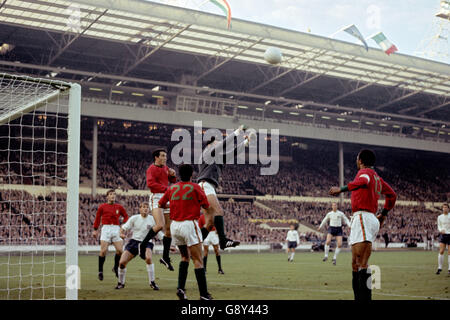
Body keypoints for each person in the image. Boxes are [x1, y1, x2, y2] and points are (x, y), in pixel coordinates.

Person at [329, 149, 397, 301]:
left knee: (361, 263)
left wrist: (341, 189)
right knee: (355, 263)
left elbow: (364, 180)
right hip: (362, 218)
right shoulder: (378, 178)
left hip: (364, 217)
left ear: (360, 160)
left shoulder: (365, 172)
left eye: (356, 158)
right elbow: (392, 195)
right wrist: (384, 213)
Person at [159, 164, 212, 300]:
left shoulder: (172, 188)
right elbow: (206, 205)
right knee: (198, 260)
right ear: (192, 174)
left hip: (174, 226)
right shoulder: (195, 187)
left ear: (179, 174)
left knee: (184, 257)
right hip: (189, 224)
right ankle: (204, 295)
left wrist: (173, 204)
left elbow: (161, 204)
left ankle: (180, 289)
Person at [197, 125, 254, 250]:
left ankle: (195, 243)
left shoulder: (214, 157)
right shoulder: (208, 152)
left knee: (209, 223)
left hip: (206, 186)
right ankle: (222, 241)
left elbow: (232, 153)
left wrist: (245, 142)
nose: (218, 145)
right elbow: (223, 145)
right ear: (210, 144)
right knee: (219, 212)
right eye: (216, 142)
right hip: (205, 185)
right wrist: (237, 132)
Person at [140, 149, 176, 271]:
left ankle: (165, 257)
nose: (165, 158)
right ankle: (143, 244)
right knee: (160, 225)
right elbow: (151, 185)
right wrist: (166, 188)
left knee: (169, 231)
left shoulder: (165, 168)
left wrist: (173, 175)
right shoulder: (151, 169)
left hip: (166, 197)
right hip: (156, 197)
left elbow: (172, 181)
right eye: (163, 156)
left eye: (166, 156)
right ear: (156, 157)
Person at [115, 202, 163, 290]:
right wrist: (121, 233)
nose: (145, 209)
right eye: (143, 207)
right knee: (122, 263)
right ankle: (120, 283)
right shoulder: (134, 218)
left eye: (147, 207)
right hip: (134, 242)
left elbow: (158, 232)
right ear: (140, 209)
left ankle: (152, 282)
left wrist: (168, 244)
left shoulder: (152, 219)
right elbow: (124, 227)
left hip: (147, 242)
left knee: (148, 258)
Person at [93, 189, 129, 281]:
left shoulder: (119, 207)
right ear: (107, 196)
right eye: (111, 194)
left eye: (114, 194)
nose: (113, 196)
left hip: (116, 228)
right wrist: (95, 230)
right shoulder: (102, 207)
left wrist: (123, 225)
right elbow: (97, 218)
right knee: (103, 251)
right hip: (106, 229)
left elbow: (126, 216)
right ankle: (100, 271)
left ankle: (115, 267)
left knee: (120, 251)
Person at [436, 203, 450, 275]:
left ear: (448, 208)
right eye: (443, 207)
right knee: (441, 251)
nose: (445, 208)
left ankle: (449, 269)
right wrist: (441, 230)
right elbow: (439, 225)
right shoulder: (439, 217)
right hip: (443, 235)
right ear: (442, 208)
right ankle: (439, 268)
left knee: (449, 252)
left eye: (446, 207)